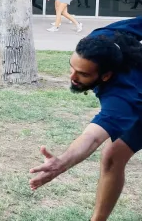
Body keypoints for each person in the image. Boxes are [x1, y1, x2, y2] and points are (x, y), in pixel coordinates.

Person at [29, 16, 142, 221]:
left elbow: (92, 137)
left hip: (137, 99)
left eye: (82, 74)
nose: (72, 77)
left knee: (113, 152)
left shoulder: (121, 99)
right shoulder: (102, 39)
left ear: (106, 76)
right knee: (113, 156)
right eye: (72, 67)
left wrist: (61, 163)